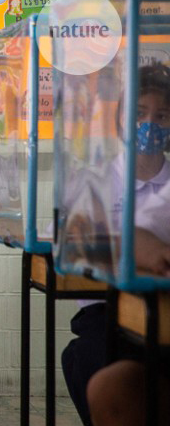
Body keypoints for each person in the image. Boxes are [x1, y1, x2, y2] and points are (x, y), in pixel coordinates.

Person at [62, 63, 170, 425]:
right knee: (96, 360)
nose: (150, 124)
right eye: (139, 113)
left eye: (162, 115)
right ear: (121, 118)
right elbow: (66, 238)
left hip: (163, 305)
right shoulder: (96, 179)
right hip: (106, 309)